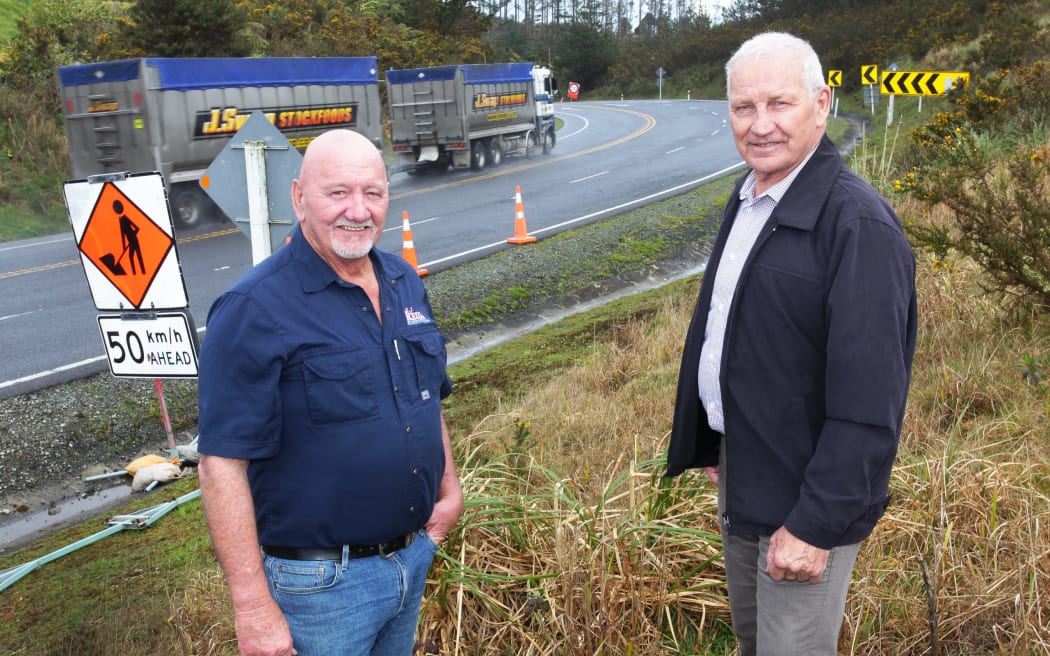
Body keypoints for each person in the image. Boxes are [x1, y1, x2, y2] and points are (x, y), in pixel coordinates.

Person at [665, 32, 917, 655]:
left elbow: (870, 404)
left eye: (779, 104)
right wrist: (718, 438)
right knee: (756, 645)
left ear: (822, 104)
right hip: (747, 473)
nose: (760, 125)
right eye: (743, 107)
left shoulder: (856, 225)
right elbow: (740, 332)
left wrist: (815, 525)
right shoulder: (753, 196)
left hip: (805, 503)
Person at [197, 128, 464, 656]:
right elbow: (220, 464)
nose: (358, 211)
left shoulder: (403, 281)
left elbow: (426, 395)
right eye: (337, 193)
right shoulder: (253, 308)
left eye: (373, 193)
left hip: (410, 559)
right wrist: (251, 606)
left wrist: (448, 493)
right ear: (299, 197)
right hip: (321, 589)